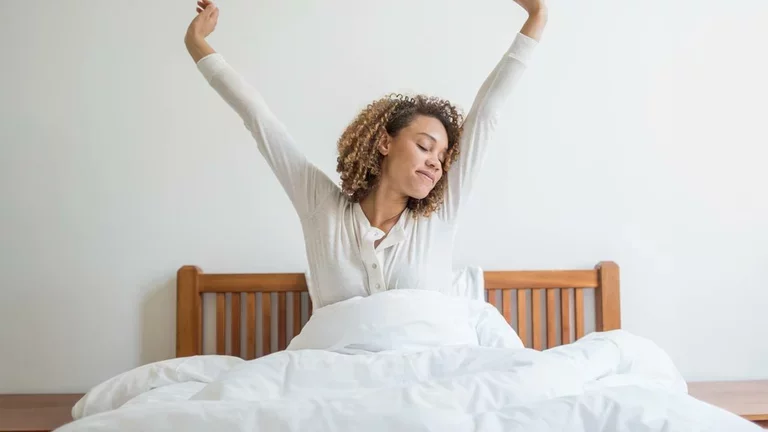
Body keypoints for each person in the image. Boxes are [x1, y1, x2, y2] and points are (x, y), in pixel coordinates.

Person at [184, 0, 548, 309]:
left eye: (442, 155)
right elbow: (258, 119)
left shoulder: (441, 214)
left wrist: (537, 17)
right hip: (338, 379)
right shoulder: (321, 208)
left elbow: (486, 114)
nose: (436, 162)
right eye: (424, 146)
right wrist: (197, 43)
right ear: (385, 143)